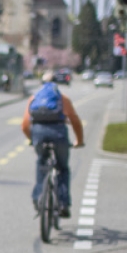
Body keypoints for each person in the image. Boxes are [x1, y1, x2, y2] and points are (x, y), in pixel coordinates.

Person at [21, 71, 85, 218]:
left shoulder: (34, 98)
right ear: (56, 84)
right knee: (62, 168)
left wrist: (32, 139)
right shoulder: (62, 99)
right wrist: (79, 141)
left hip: (38, 134)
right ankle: (63, 203)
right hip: (59, 134)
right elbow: (75, 121)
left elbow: (25, 124)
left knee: (41, 163)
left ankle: (38, 197)